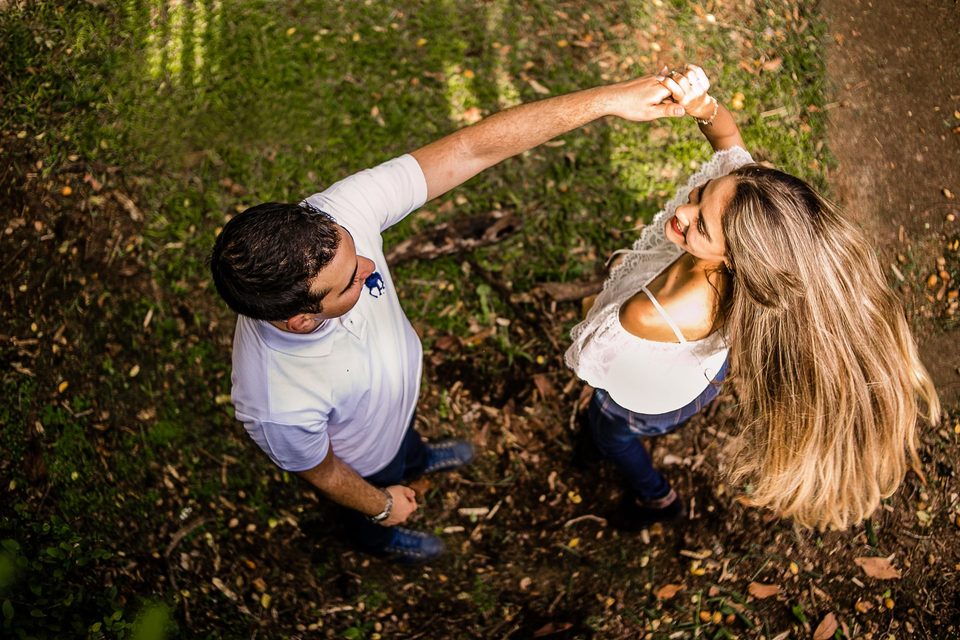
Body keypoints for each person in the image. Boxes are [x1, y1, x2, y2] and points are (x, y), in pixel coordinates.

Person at [210, 75, 691, 563]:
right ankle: (380, 539)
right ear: (298, 319)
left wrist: (607, 100)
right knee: (367, 511)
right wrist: (379, 505)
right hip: (364, 463)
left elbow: (469, 150)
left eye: (356, 252)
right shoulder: (274, 401)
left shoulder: (335, 218)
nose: (371, 267)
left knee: (408, 449)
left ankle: (419, 457)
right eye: (351, 281)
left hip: (396, 412)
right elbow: (323, 471)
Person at [565, 65, 941, 531]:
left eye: (699, 224)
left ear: (737, 263)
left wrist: (594, 310)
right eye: (700, 193)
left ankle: (657, 499)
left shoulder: (649, 312)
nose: (683, 211)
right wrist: (703, 107)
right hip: (701, 372)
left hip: (649, 398)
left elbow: (586, 358)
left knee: (612, 434)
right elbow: (727, 141)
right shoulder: (743, 215)